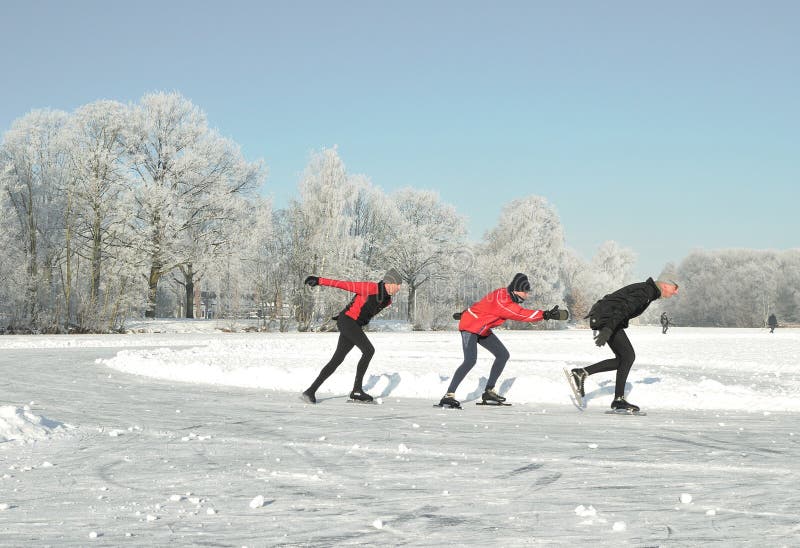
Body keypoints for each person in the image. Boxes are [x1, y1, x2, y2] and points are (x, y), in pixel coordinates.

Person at [438, 273, 568, 409]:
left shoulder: (502, 293)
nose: (527, 295)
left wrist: (468, 311)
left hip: (482, 328)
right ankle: (449, 395)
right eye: (525, 292)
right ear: (516, 290)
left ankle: (489, 391)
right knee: (470, 360)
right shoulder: (504, 303)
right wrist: (545, 314)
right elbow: (521, 314)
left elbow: (484, 303)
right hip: (470, 327)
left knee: (502, 355)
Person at [567, 278, 679, 413]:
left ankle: (582, 373)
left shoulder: (648, 291)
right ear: (665, 286)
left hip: (608, 318)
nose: (674, 294)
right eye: (674, 290)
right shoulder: (647, 291)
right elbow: (623, 308)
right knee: (628, 356)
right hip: (608, 318)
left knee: (623, 359)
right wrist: (608, 328)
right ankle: (617, 399)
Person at [301, 269, 403, 404]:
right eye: (398, 285)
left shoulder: (387, 300)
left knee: (337, 360)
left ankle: (310, 391)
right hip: (347, 321)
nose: (400, 288)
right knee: (368, 350)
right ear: (389, 283)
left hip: (353, 325)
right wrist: (319, 280)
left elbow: (365, 310)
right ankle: (357, 390)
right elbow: (343, 284)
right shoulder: (370, 287)